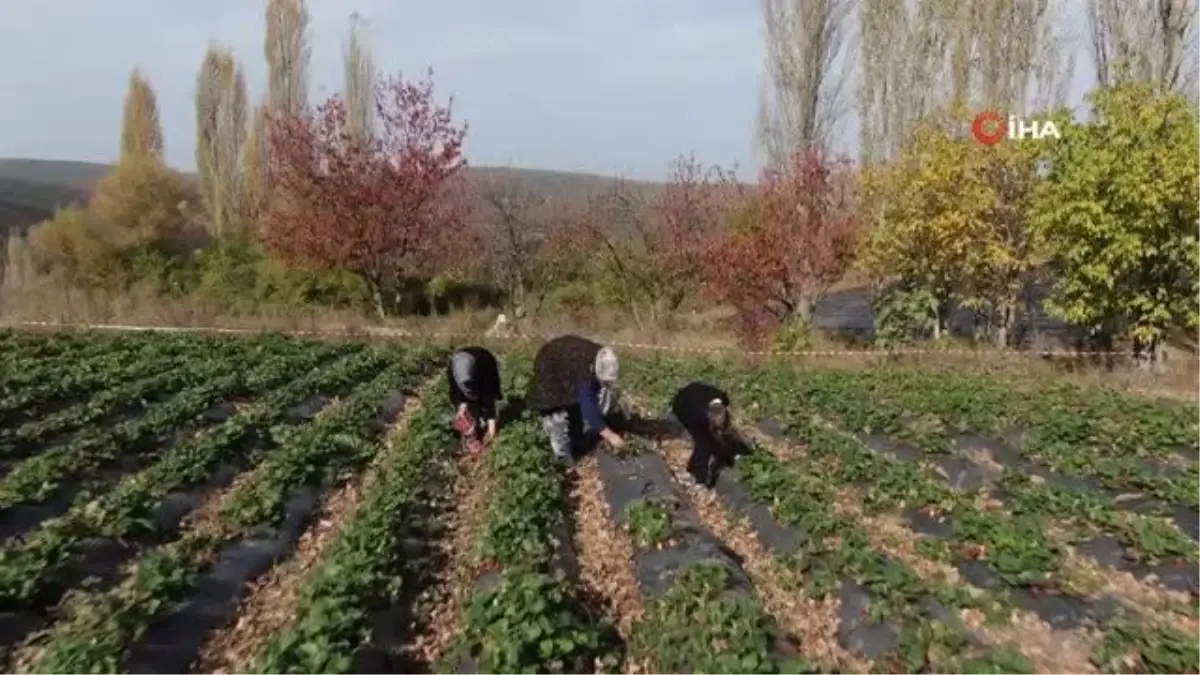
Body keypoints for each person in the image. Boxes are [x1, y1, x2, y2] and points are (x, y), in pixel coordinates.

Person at [528, 335, 625, 463]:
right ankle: (564, 462)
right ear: (595, 370)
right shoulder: (585, 372)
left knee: (575, 406)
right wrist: (611, 436)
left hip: (566, 366)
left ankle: (578, 444)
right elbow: (589, 412)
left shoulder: (602, 358)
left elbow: (589, 399)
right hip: (549, 369)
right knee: (557, 420)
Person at [670, 381, 750, 487]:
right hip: (683, 406)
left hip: (696, 392)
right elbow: (703, 445)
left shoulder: (722, 398)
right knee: (704, 444)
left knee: (722, 437)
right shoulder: (697, 417)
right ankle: (696, 474)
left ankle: (728, 454)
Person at [448, 346, 503, 454]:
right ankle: (474, 433)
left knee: (483, 399)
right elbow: (456, 392)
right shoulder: (453, 369)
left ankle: (485, 426)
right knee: (469, 410)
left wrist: (491, 428)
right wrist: (461, 407)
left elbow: (488, 396)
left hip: (484, 366)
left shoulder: (485, 364)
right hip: (469, 370)